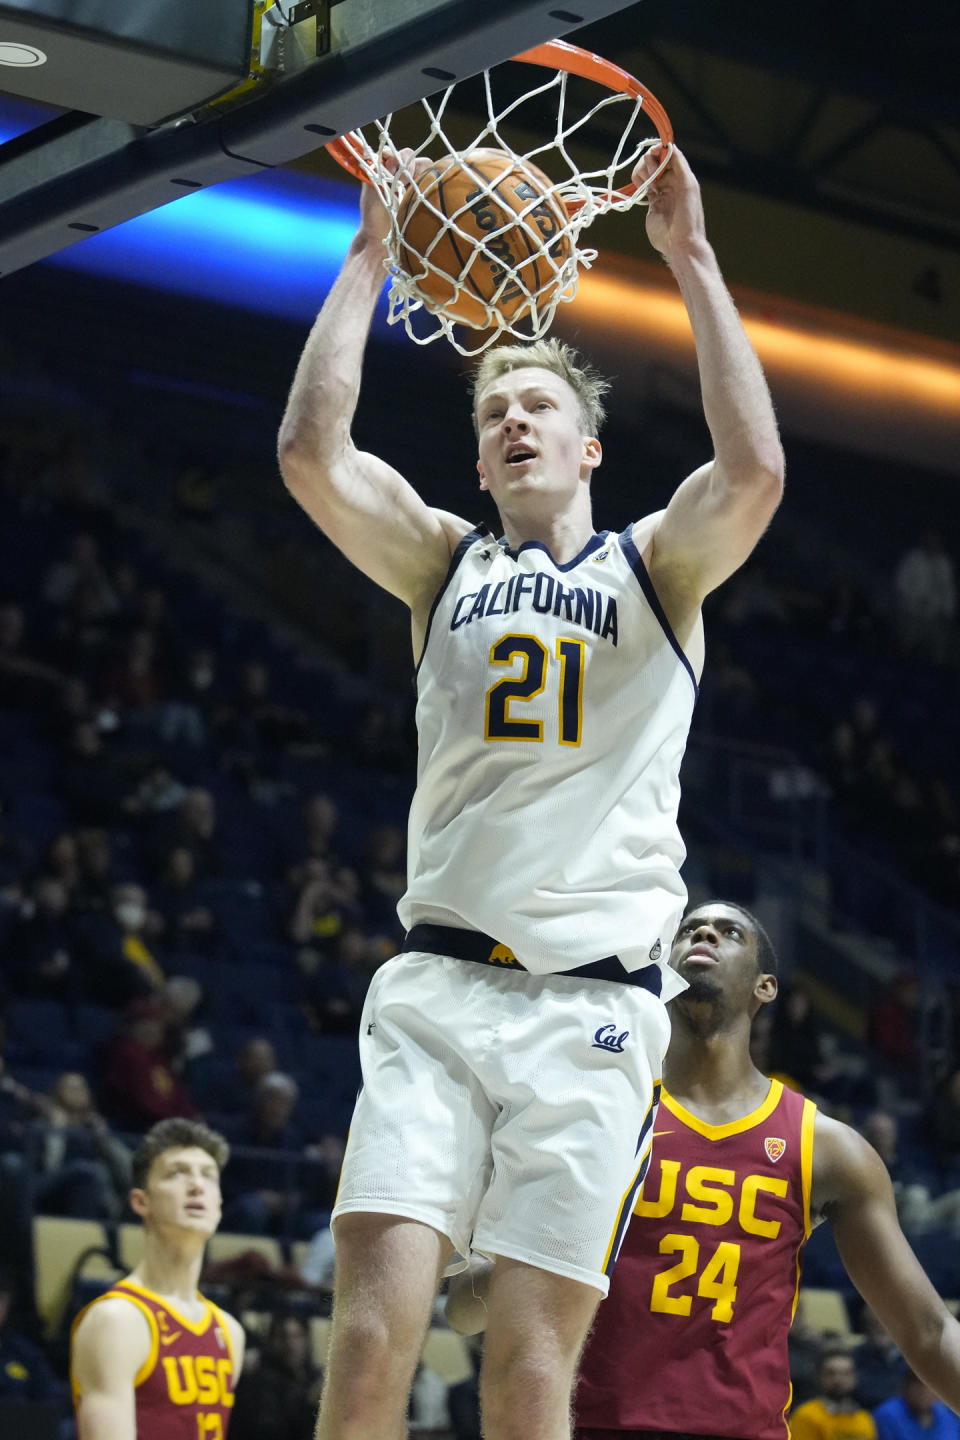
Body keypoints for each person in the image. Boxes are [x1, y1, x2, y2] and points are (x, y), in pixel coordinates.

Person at [278, 137, 785, 1440]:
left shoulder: (656, 571)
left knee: (526, 1377)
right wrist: (368, 256)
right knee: (373, 1342)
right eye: (490, 409)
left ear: (590, 445)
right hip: (439, 993)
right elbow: (308, 451)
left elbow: (757, 474)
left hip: (595, 1019)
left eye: (535, 405)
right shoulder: (439, 562)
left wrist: (693, 258)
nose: (509, 419)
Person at [448, 902, 960, 1436]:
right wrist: (536, 1254)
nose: (705, 933)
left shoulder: (827, 1149)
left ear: (766, 987)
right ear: (662, 970)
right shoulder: (594, 1113)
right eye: (688, 929)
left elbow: (928, 1330)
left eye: (729, 931)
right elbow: (465, 1309)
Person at [70, 1116, 244, 1440]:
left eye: (208, 1176)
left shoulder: (229, 1332)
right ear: (141, 1201)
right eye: (177, 1173)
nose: (197, 1185)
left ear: (219, 1204)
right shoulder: (116, 1319)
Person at [790, 1349, 876, 1440]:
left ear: (854, 1377)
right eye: (831, 1373)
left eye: (845, 1373)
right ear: (819, 1377)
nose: (838, 1379)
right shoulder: (806, 1415)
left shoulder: (864, 1418)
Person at [874, 1371, 960, 1440]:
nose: (923, 1391)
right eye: (918, 1384)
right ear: (906, 1387)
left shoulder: (946, 1414)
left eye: (928, 1386)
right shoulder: (888, 1413)